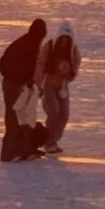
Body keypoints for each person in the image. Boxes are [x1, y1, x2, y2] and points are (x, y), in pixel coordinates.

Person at [0, 18, 47, 161]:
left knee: (24, 117)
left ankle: (23, 151)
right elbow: (6, 65)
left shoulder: (27, 42)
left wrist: (31, 84)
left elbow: (5, 64)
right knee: (14, 118)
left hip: (18, 84)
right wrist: (21, 79)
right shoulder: (28, 44)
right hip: (14, 84)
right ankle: (8, 154)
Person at [35, 22, 81, 155]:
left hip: (63, 87)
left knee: (64, 116)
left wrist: (67, 71)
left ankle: (54, 140)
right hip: (48, 85)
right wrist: (38, 85)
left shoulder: (74, 53)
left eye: (67, 39)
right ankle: (48, 142)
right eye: (63, 39)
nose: (65, 42)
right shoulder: (49, 47)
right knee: (54, 112)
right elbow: (40, 66)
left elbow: (73, 75)